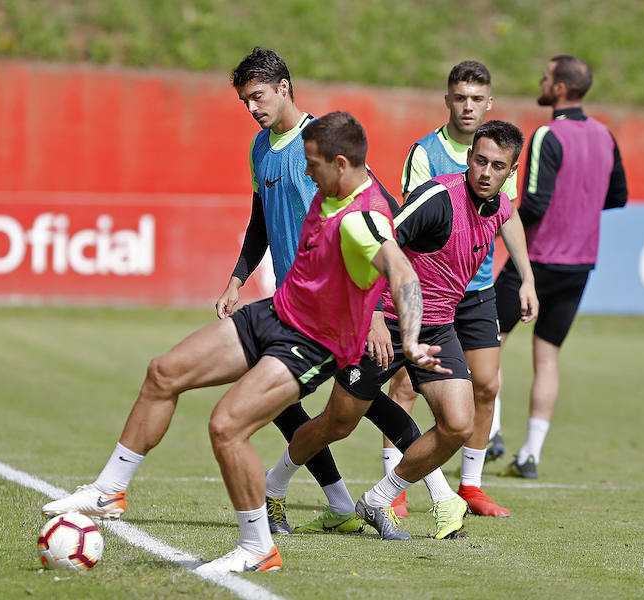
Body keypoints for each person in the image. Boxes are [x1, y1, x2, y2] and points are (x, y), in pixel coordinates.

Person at [42, 111, 447, 573]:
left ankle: (258, 548)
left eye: (312, 164)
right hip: (275, 313)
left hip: (311, 344)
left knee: (227, 426)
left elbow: (403, 274)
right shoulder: (331, 187)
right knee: (164, 372)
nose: (306, 172)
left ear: (339, 163)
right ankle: (109, 490)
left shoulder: (364, 219)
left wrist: (409, 341)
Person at [264, 121, 538, 541]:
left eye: (497, 166)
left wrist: (527, 278)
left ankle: (377, 500)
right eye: (479, 160)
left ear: (511, 172)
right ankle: (273, 487)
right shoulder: (438, 197)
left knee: (458, 424)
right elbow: (379, 236)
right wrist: (372, 313)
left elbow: (510, 218)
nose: (485, 172)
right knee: (337, 423)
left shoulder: (499, 205)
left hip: (437, 326)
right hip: (384, 318)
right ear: (469, 158)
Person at [213, 47, 425, 537]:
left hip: (342, 306)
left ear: (284, 87)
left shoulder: (322, 144)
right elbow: (260, 220)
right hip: (293, 306)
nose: (252, 108)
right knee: (297, 403)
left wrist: (372, 309)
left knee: (359, 402)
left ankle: (435, 493)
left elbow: (379, 218)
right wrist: (237, 278)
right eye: (245, 100)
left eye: (258, 96)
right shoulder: (259, 148)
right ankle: (343, 502)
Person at [386, 60, 519, 518]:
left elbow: (508, 213)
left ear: (488, 103)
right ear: (448, 99)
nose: (468, 106)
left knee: (486, 385)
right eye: (460, 97)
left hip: (477, 290)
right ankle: (395, 488)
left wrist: (526, 275)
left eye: (476, 98)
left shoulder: (503, 148)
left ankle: (471, 487)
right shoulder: (424, 152)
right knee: (404, 384)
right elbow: (410, 225)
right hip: (428, 292)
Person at [495, 55, 628, 479]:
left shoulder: (548, 134)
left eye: (547, 77)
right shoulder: (605, 135)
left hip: (535, 262)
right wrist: (582, 207)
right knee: (547, 358)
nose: (541, 81)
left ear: (560, 89)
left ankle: (492, 432)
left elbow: (533, 203)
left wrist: (497, 221)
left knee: (488, 342)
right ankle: (530, 456)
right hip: (580, 264)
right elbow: (618, 196)